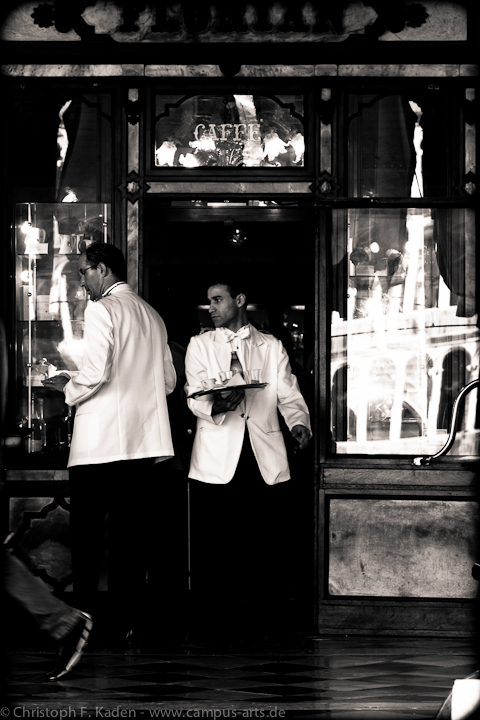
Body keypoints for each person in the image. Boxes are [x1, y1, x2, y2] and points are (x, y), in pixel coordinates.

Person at [43, 243, 176, 651]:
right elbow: (168, 382)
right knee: (129, 541)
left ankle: (82, 626)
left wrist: (67, 386)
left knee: (86, 541)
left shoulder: (103, 309)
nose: (82, 280)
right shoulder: (152, 315)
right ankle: (124, 627)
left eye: (84, 271)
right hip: (140, 446)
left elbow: (97, 372)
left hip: (100, 445)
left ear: (102, 269)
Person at [184, 282, 311, 637]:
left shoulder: (271, 346)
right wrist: (215, 405)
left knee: (262, 540)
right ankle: (215, 622)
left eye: (218, 300)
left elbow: (288, 393)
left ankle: (262, 619)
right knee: (216, 542)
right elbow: (194, 394)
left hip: (262, 455)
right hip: (216, 456)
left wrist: (299, 423)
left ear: (239, 300)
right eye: (208, 301)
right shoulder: (199, 345)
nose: (211, 307)